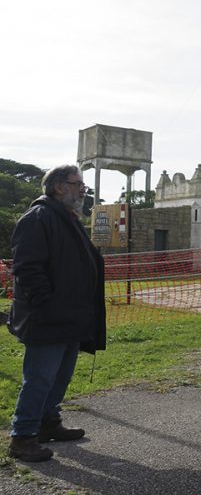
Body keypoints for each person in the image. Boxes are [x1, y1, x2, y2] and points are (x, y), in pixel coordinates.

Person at [7, 165, 106, 462]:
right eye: (79, 186)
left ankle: (49, 422)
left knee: (59, 378)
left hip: (71, 317)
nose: (82, 191)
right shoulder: (38, 218)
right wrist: (48, 305)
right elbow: (27, 269)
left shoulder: (65, 218)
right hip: (48, 318)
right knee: (38, 379)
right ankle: (22, 436)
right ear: (60, 187)